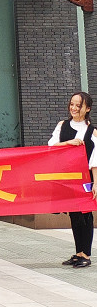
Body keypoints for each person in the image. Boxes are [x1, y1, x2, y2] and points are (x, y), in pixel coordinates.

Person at [48, 91, 97, 268]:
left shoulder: (92, 131)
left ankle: (86, 254)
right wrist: (69, 143)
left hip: (85, 179)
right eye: (72, 104)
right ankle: (78, 253)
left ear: (87, 108)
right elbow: (51, 146)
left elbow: (95, 160)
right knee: (74, 215)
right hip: (67, 177)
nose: (74, 108)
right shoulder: (62, 126)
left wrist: (96, 183)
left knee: (85, 215)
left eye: (79, 105)